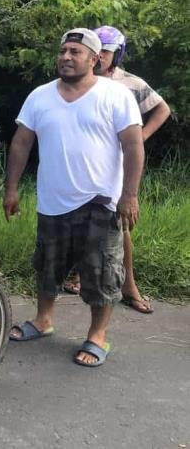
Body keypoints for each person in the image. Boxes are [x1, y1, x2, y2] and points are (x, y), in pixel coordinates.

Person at [4, 28, 144, 367]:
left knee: (102, 273)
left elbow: (133, 145)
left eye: (75, 52)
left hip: (99, 201)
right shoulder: (40, 95)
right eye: (63, 51)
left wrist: (129, 195)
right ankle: (43, 320)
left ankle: (97, 335)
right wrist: (11, 188)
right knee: (47, 266)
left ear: (94, 60)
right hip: (52, 200)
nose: (66, 57)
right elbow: (22, 143)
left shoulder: (115, 95)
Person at [62, 26, 171, 313]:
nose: (100, 58)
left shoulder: (129, 84)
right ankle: (78, 275)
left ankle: (129, 286)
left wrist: (141, 136)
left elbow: (162, 109)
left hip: (116, 167)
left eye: (107, 53)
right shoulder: (80, 80)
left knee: (118, 225)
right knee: (77, 218)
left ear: (117, 54)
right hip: (82, 166)